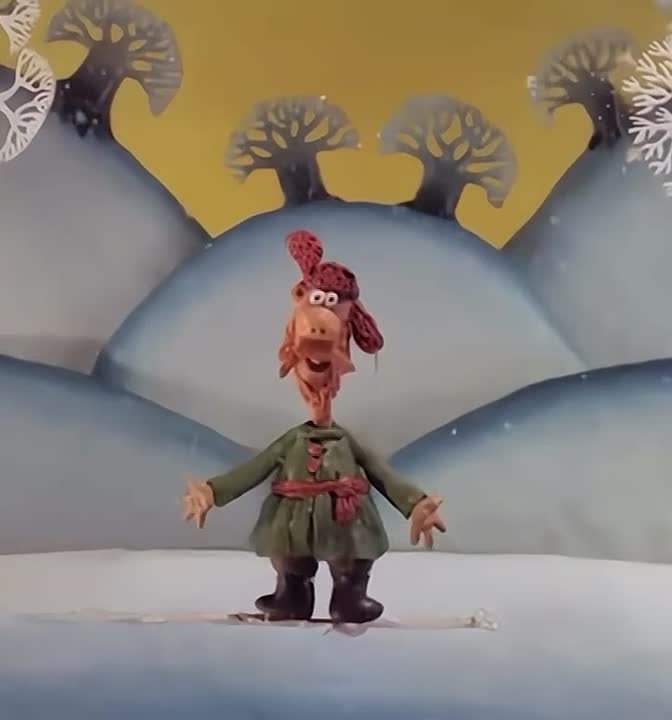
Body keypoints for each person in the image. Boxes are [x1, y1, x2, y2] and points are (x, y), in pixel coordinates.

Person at [181, 229, 445, 624]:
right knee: (291, 558)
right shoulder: (292, 440)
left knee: (352, 557)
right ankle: (291, 596)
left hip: (345, 517)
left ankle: (350, 597)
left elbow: (381, 474)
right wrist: (212, 491)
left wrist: (416, 503)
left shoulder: (347, 441)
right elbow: (254, 469)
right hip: (294, 519)